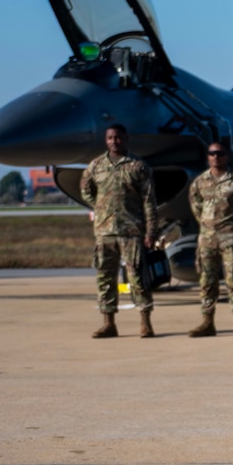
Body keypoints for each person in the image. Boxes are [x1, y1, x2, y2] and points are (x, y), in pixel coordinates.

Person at [79, 123, 158, 339]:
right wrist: (102, 207)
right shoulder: (96, 166)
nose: (114, 141)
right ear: (106, 140)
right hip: (105, 232)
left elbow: (149, 202)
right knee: (105, 278)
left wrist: (151, 231)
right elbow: (86, 191)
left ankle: (145, 323)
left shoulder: (138, 167)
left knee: (138, 278)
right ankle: (108, 323)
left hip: (131, 230)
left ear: (126, 138)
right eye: (110, 138)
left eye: (118, 137)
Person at [187, 142, 233, 337]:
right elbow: (196, 208)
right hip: (207, 238)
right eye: (212, 153)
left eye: (220, 153)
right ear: (208, 157)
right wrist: (208, 228)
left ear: (227, 156)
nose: (216, 157)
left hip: (231, 237)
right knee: (206, 281)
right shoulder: (199, 182)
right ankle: (207, 322)